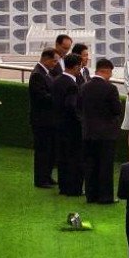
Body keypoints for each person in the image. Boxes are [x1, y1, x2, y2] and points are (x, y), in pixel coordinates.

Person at [80, 58, 122, 204]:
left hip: (88, 132)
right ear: (107, 71)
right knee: (105, 165)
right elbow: (116, 110)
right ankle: (105, 197)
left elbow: (79, 106)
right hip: (106, 134)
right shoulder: (111, 89)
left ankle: (91, 195)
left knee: (90, 164)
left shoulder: (84, 87)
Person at [53, 53, 84, 197]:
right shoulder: (72, 85)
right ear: (76, 67)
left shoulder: (57, 80)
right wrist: (80, 121)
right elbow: (71, 106)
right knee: (74, 157)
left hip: (58, 125)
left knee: (62, 157)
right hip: (71, 128)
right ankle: (74, 188)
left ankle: (63, 186)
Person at [29, 49, 59, 188]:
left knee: (50, 150)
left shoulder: (47, 73)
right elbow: (40, 96)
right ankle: (41, 179)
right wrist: (57, 97)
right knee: (42, 150)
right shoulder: (37, 74)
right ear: (46, 59)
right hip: (41, 120)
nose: (55, 63)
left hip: (49, 119)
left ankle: (47, 175)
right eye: (54, 61)